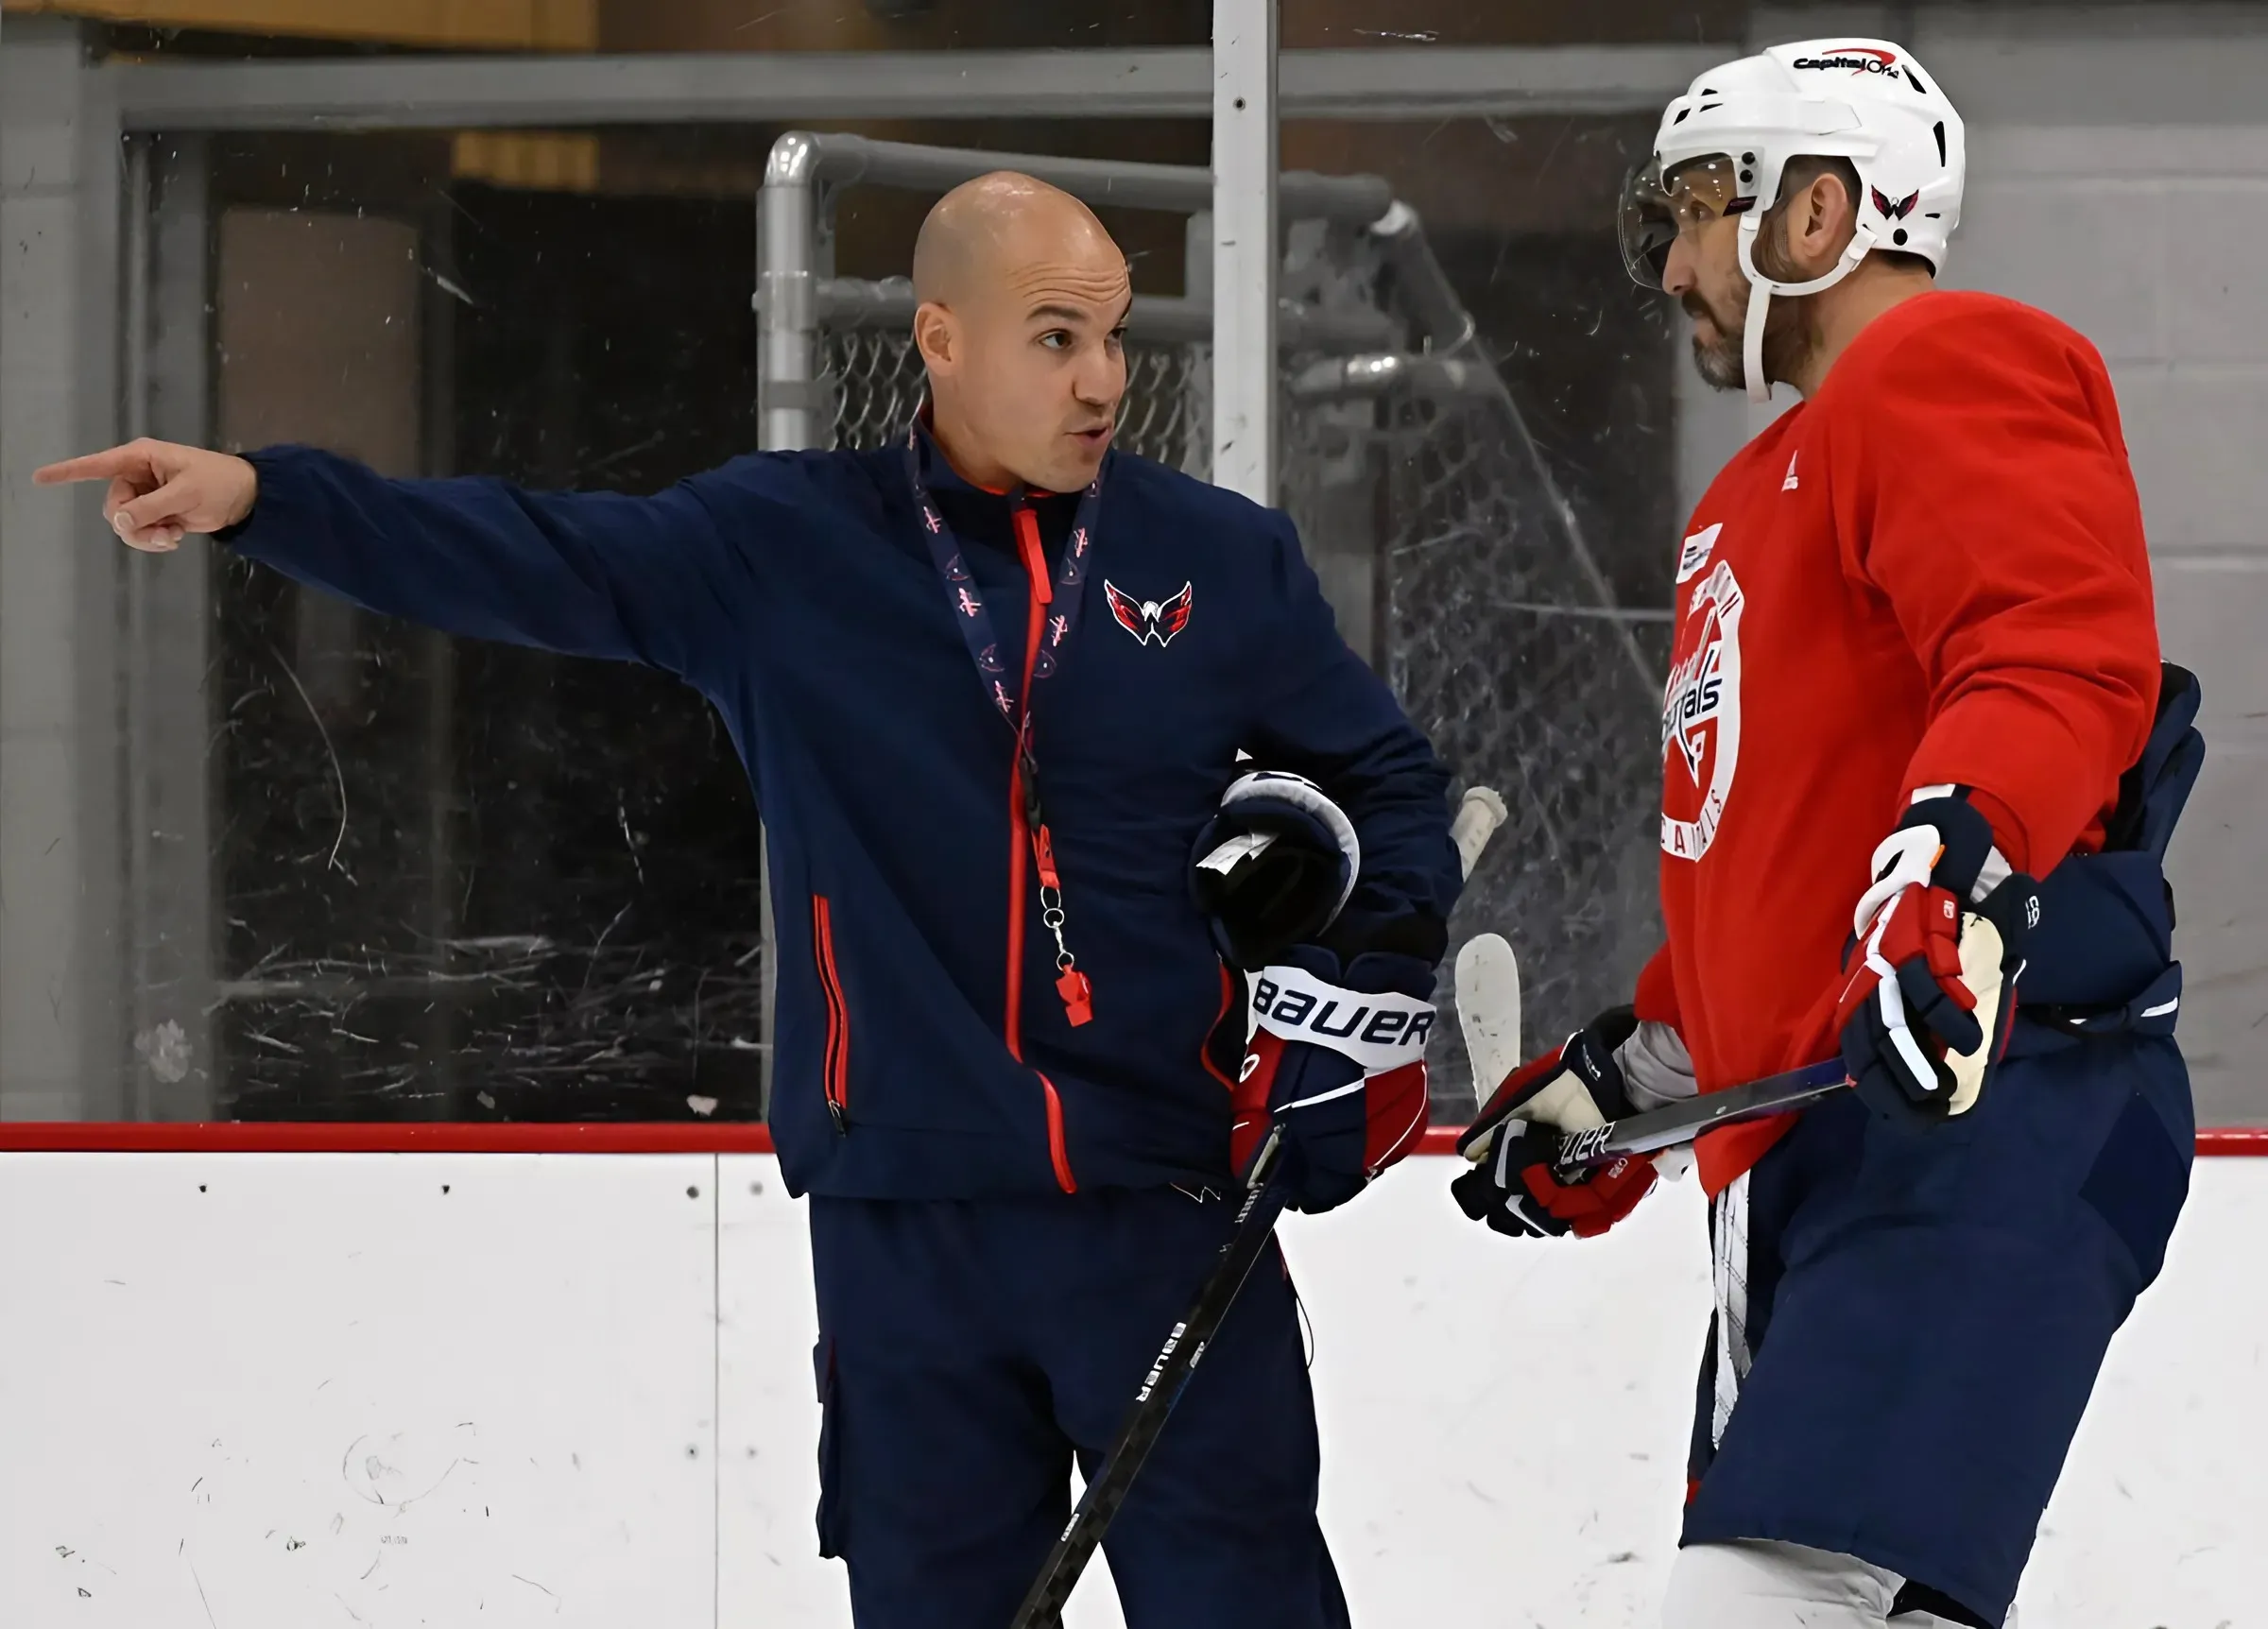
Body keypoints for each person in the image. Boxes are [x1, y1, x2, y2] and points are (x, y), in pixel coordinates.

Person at [40, 172, 1464, 1628]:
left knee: (1251, 1606)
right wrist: (268, 501)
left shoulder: (1215, 557)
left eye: (1112, 338)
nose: (1101, 380)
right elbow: (532, 552)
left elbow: (1389, 789)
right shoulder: (786, 550)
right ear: (942, 339)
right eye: (1055, 339)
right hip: (902, 1231)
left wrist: (1360, 976)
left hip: (1165, 1206)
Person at [1444, 39, 2198, 1629]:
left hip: (1989, 1120)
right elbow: (1777, 864)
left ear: (1818, 213)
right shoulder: (1756, 488)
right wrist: (1628, 1077)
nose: (1675, 266)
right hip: (1825, 1155)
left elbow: (2056, 652)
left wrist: (1959, 880)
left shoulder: (1947, 364)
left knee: (1762, 1608)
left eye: (1701, 211)